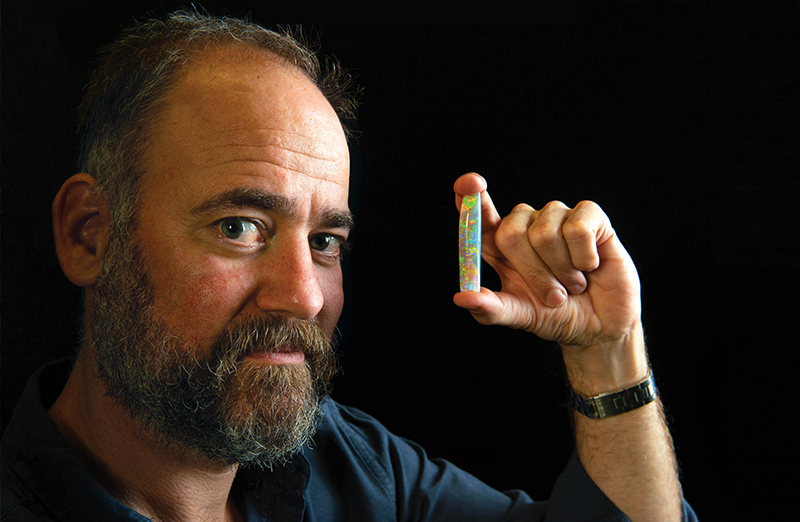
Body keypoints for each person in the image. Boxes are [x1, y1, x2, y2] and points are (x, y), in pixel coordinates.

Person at [1, 11, 697, 522]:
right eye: (240, 227)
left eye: (325, 241)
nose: (304, 296)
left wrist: (609, 352)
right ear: (89, 235)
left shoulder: (357, 469)